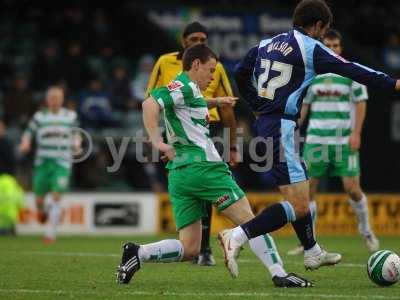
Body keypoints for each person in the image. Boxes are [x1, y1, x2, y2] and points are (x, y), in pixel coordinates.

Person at [221, 0, 400, 278]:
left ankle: (312, 250)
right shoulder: (310, 48)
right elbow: (351, 68)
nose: (322, 35)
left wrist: (256, 104)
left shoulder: (267, 43)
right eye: (323, 29)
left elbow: (240, 72)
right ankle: (238, 235)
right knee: (299, 204)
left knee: (301, 193)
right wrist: (393, 83)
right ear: (317, 25)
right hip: (281, 127)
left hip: (269, 125)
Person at [116, 44, 312, 288]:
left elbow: (188, 105)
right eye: (210, 70)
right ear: (195, 64)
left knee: (190, 248)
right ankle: (278, 272)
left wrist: (216, 101)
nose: (212, 76)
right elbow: (149, 104)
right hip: (205, 168)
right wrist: (158, 142)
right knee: (249, 221)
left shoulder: (191, 91)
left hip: (180, 173)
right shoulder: (184, 86)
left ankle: (138, 252)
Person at [145, 21, 240, 266]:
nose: (200, 43)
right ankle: (219, 242)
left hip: (207, 129)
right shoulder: (166, 63)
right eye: (195, 39)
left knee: (203, 190)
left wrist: (231, 144)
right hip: (176, 135)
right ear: (184, 40)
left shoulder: (211, 66)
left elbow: (225, 107)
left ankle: (204, 248)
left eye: (203, 39)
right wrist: (158, 138)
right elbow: (152, 99)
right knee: (193, 186)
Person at [287, 29, 379, 256]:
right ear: (323, 46)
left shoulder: (349, 72)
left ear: (341, 48)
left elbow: (360, 103)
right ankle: (309, 240)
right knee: (308, 191)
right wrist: (292, 128)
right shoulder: (314, 74)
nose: (333, 49)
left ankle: (366, 230)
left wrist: (356, 132)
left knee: (352, 189)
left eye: (336, 45)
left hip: (343, 141)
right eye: (329, 45)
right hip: (316, 141)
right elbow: (305, 107)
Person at [19, 86, 81, 243]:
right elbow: (28, 132)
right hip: (42, 164)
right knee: (38, 201)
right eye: (52, 98)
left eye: (57, 98)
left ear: (62, 99)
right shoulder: (39, 117)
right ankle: (44, 211)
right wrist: (25, 143)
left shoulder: (70, 116)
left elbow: (76, 133)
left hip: (62, 163)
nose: (54, 100)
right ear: (47, 100)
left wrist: (76, 144)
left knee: (56, 196)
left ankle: (50, 234)